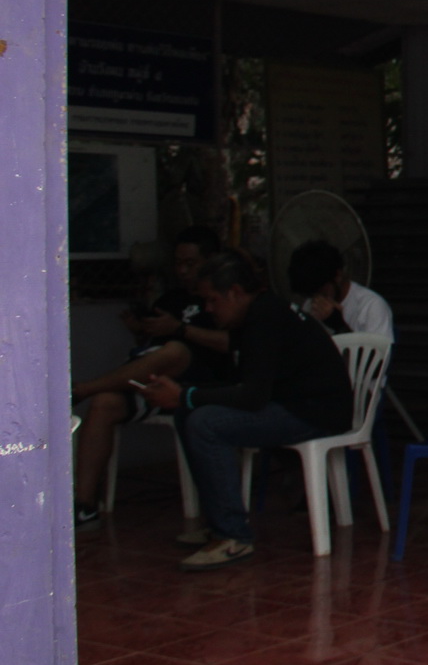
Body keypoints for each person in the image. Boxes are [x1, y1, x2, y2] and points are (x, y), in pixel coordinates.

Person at [140, 250, 355, 571]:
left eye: (212, 300)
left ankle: (233, 536)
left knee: (205, 422)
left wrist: (185, 394)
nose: (208, 309)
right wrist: (187, 396)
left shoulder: (265, 317)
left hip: (316, 412)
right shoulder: (257, 313)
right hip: (290, 404)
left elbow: (252, 396)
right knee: (188, 413)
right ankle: (218, 523)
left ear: (235, 292)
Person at [72, 225, 233, 532]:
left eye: (191, 263)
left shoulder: (222, 299)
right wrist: (141, 330)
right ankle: (85, 505)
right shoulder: (171, 298)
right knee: (104, 403)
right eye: (178, 263)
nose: (183, 271)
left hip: (195, 385)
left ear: (211, 260)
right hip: (151, 381)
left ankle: (82, 389)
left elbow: (232, 343)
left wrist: (180, 330)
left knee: (176, 350)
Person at [287, 239, 394, 341]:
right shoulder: (309, 307)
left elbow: (376, 353)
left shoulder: (371, 307)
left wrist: (338, 324)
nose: (317, 299)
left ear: (337, 276)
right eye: (311, 295)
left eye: (321, 292)